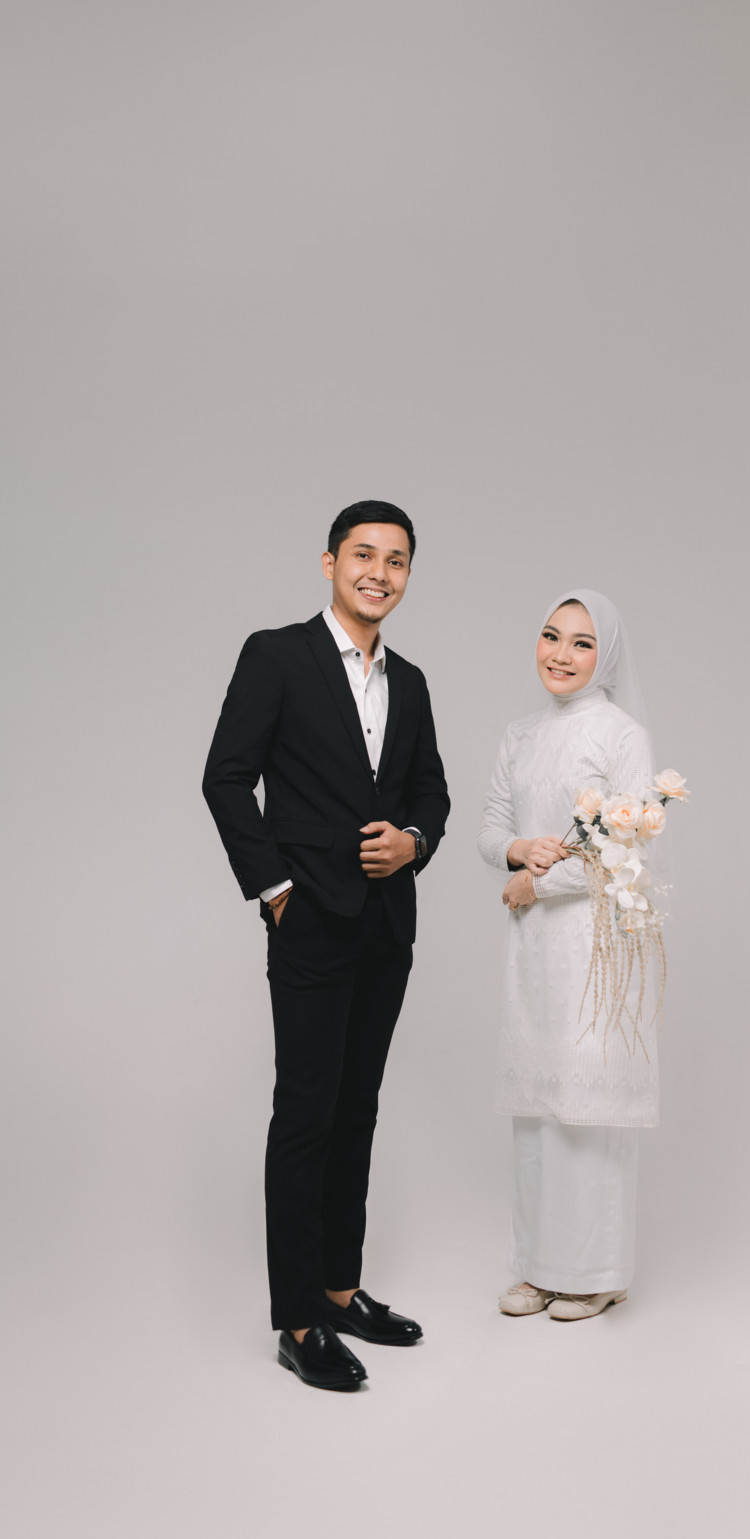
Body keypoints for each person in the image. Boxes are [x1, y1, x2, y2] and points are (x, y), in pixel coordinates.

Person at [203, 500, 450, 1390]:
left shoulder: (410, 681)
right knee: (307, 1112)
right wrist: (275, 891)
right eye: (363, 555)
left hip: (387, 925)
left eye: (396, 559)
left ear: (408, 574)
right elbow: (225, 776)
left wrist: (413, 841)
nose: (379, 572)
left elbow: (431, 791)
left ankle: (342, 1290)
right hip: (309, 919)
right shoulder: (277, 655)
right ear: (329, 562)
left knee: (359, 1108)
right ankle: (299, 1318)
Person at [478, 589, 661, 1320]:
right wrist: (519, 849)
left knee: (589, 1104)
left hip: (595, 940)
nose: (561, 654)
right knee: (540, 1106)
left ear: (604, 656)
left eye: (582, 643)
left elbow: (627, 847)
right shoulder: (520, 734)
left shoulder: (620, 734)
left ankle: (596, 1271)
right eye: (551, 636)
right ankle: (540, 1267)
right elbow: (492, 825)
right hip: (533, 948)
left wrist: (536, 884)